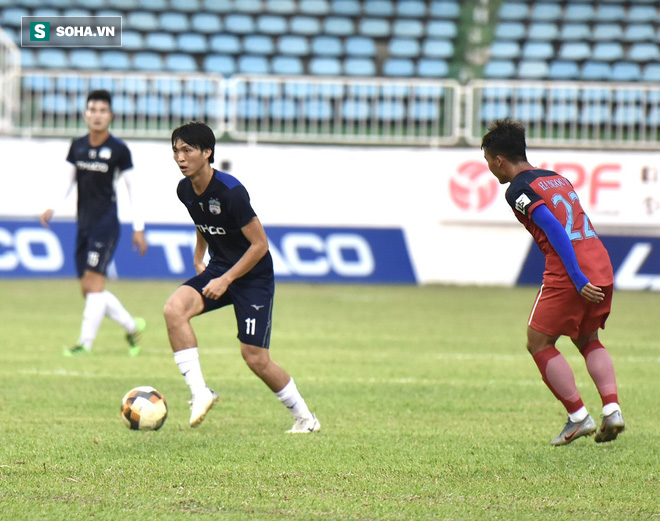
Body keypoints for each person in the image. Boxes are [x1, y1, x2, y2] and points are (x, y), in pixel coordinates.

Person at [164, 121, 320, 433]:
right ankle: (200, 393)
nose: (180, 158)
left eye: (187, 150)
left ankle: (305, 418)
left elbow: (260, 245)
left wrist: (226, 280)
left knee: (255, 358)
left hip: (252, 277)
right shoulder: (184, 189)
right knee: (173, 310)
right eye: (176, 151)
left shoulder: (231, 193)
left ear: (207, 153)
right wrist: (199, 256)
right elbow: (203, 221)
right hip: (220, 268)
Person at [481, 118, 624, 446]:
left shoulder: (517, 189)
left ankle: (578, 417)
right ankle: (612, 409)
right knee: (588, 339)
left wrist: (575, 276)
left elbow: (554, 229)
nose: (490, 169)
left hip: (570, 269)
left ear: (499, 159)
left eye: (488, 162)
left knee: (539, 342)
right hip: (599, 259)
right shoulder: (554, 178)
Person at [40, 89, 147, 357]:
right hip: (84, 224)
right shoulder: (77, 146)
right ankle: (132, 326)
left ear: (111, 115)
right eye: (93, 110)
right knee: (88, 290)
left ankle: (84, 344)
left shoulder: (119, 150)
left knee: (95, 285)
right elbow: (68, 180)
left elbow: (134, 188)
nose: (97, 115)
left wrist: (139, 226)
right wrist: (52, 206)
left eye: (103, 111)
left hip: (106, 223)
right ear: (86, 114)